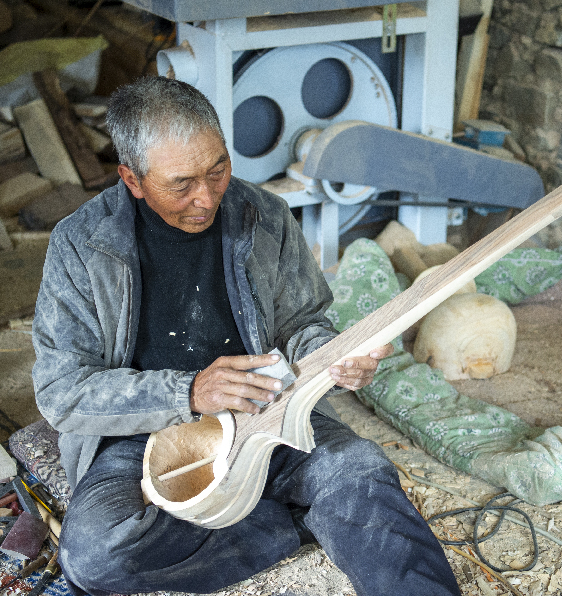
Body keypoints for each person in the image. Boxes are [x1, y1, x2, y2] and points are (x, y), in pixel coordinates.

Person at [31, 76, 460, 596]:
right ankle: (289, 523)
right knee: (96, 555)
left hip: (267, 408)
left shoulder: (264, 215)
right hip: (145, 432)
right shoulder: (81, 244)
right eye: (181, 185)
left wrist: (331, 357)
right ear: (133, 179)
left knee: (360, 470)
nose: (206, 197)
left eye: (218, 170)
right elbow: (61, 390)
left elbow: (303, 323)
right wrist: (189, 392)